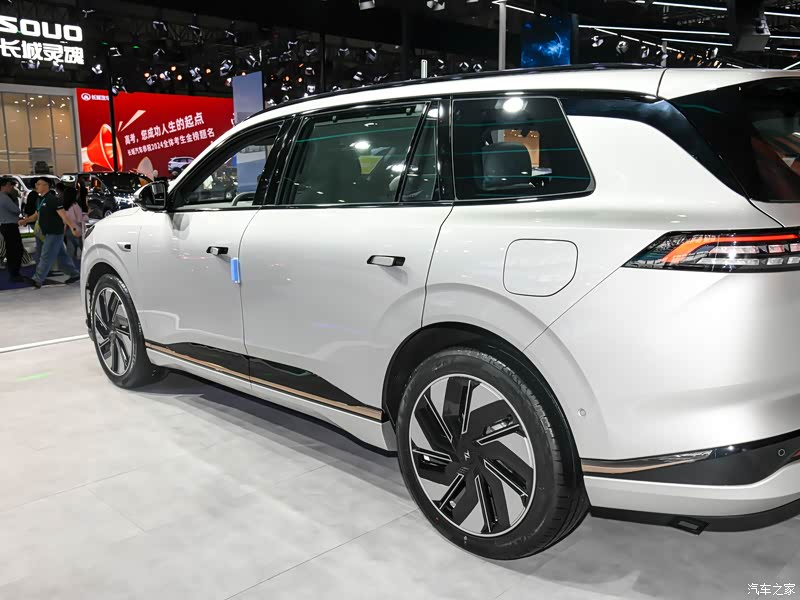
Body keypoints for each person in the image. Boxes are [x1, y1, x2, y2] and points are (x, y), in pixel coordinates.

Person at [18, 177, 80, 289]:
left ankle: (37, 279)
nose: (37, 186)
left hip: (55, 232)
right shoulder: (39, 200)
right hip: (47, 233)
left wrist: (73, 227)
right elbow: (36, 215)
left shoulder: (53, 200)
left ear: (46, 186)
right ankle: (75, 274)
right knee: (62, 256)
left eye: (39, 184)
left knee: (45, 255)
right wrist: (25, 221)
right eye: (37, 184)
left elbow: (64, 216)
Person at [0, 177, 24, 283]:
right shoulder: (5, 198)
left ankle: (13, 272)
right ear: (4, 186)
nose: (11, 188)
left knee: (10, 250)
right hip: (10, 226)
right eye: (10, 186)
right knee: (16, 250)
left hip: (4, 225)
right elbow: (16, 210)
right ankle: (14, 274)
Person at [62, 183, 84, 260]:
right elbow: (79, 219)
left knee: (70, 250)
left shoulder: (63, 206)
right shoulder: (75, 205)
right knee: (83, 248)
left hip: (68, 230)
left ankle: (69, 265)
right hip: (77, 230)